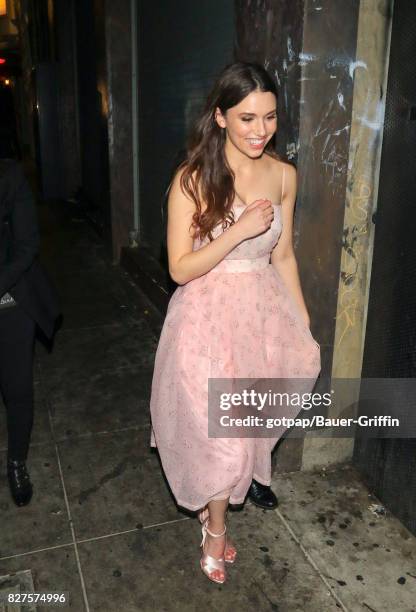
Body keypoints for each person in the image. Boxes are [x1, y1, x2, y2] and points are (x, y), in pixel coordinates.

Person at [150, 62, 321, 584]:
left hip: (260, 321)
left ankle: (213, 507)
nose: (259, 130)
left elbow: (284, 256)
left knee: (244, 433)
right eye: (246, 117)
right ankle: (216, 529)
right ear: (220, 117)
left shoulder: (284, 175)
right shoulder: (192, 179)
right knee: (222, 441)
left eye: (269, 117)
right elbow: (180, 267)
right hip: (204, 320)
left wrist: (304, 326)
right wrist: (239, 229)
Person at [0, 157, 60, 506]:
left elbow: (27, 246)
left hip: (8, 294)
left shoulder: (9, 177)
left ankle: (16, 461)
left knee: (17, 387)